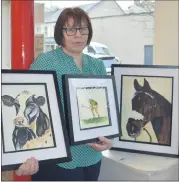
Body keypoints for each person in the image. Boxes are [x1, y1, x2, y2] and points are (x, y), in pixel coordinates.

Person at [15, 7, 112, 181]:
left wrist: (109, 138)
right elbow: (28, 106)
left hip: (92, 155)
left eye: (83, 29)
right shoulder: (45, 62)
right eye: (70, 29)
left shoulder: (97, 65)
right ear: (61, 32)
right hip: (57, 157)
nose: (78, 35)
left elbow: (105, 109)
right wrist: (22, 154)